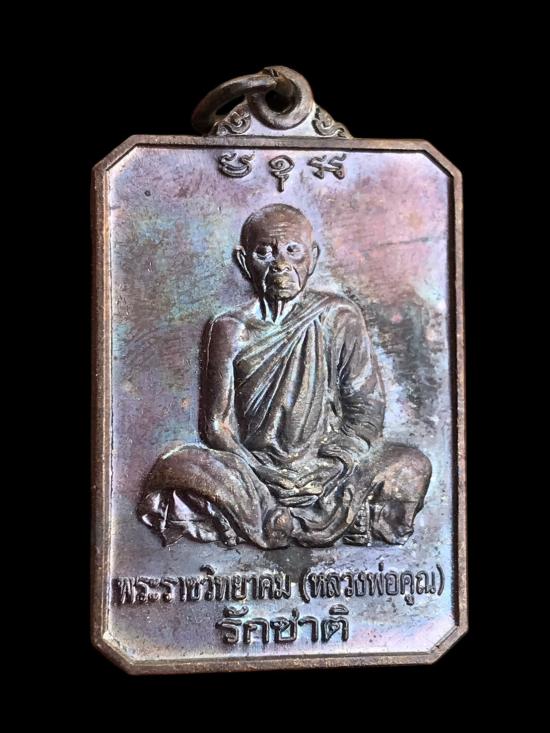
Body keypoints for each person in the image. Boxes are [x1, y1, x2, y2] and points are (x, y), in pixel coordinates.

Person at [138, 204, 431, 548]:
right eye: (264, 252)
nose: (280, 264)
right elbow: (216, 425)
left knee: (412, 464)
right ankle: (299, 518)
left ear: (313, 257)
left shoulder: (338, 315)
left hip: (327, 470)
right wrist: (261, 470)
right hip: (252, 470)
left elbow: (366, 408)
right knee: (175, 467)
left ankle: (268, 522)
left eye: (293, 250)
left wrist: (335, 463)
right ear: (244, 261)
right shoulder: (230, 328)